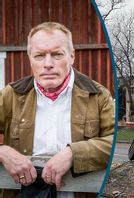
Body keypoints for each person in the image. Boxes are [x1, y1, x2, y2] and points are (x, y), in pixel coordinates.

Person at [0, 22, 115, 197]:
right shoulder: (11, 96)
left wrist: (73, 153)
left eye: (57, 54)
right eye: (39, 55)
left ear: (72, 56)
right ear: (30, 58)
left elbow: (114, 140)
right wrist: (3, 152)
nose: (48, 64)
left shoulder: (98, 96)